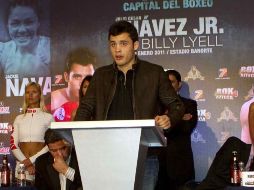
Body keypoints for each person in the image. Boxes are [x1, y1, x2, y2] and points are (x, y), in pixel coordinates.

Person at [74, 20, 185, 190]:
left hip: (145, 155)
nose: (117, 49)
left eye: (123, 43)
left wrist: (169, 118)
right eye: (113, 44)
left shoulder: (154, 73)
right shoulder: (101, 75)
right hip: (106, 154)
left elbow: (177, 105)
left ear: (135, 45)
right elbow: (85, 108)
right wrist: (78, 135)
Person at [156, 69, 198, 190]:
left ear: (179, 85)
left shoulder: (189, 104)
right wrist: (179, 117)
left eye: (172, 82)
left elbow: (187, 128)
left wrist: (166, 119)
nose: (168, 86)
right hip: (157, 163)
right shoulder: (155, 106)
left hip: (181, 163)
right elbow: (153, 129)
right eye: (165, 83)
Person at [10, 82, 54, 182]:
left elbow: (51, 144)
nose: (30, 95)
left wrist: (31, 160)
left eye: (34, 92)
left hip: (42, 165)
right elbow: (13, 145)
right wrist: (26, 163)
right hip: (22, 167)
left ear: (40, 95)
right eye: (27, 92)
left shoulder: (48, 118)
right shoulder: (19, 118)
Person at [0, 0, 50, 78]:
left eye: (29, 22)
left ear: (38, 23)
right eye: (15, 23)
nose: (22, 30)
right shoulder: (3, 51)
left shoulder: (50, 48)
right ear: (7, 25)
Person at [51, 47, 95, 121]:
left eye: (88, 78)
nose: (83, 83)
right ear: (66, 77)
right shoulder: (52, 101)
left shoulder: (100, 102)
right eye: (77, 77)